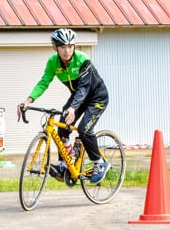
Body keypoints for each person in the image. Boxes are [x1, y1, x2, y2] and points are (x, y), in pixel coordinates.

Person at [17, 28, 111, 184]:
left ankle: (100, 163)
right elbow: (44, 82)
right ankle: (63, 164)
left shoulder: (82, 59)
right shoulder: (53, 62)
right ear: (55, 47)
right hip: (77, 98)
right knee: (62, 125)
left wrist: (73, 108)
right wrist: (28, 101)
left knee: (83, 129)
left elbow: (83, 88)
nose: (67, 51)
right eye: (62, 47)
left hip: (96, 97)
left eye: (70, 46)